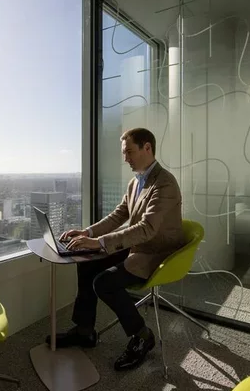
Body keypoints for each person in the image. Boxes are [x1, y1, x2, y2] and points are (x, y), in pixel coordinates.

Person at [47, 127, 185, 371]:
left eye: (129, 152)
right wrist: (87, 233)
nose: (125, 158)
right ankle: (84, 330)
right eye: (124, 153)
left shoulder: (165, 183)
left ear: (147, 148)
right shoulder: (135, 182)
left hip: (157, 252)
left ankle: (142, 335)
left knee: (104, 283)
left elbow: (147, 229)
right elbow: (119, 215)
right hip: (138, 244)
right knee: (87, 261)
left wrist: (100, 243)